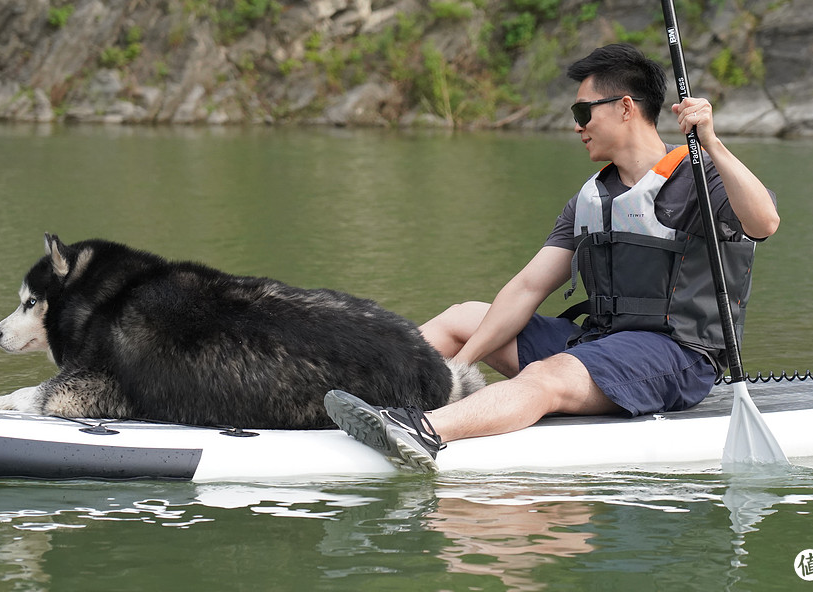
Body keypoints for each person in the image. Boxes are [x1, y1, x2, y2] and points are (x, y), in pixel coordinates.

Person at [324, 43, 780, 472]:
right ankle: (346, 404)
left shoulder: (702, 179)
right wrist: (461, 365)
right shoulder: (592, 199)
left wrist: (713, 143)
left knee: (547, 375)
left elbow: (764, 224)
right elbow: (527, 288)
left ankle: (421, 432)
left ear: (625, 107)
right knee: (462, 317)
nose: (577, 125)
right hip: (596, 344)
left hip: (675, 355)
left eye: (584, 112)